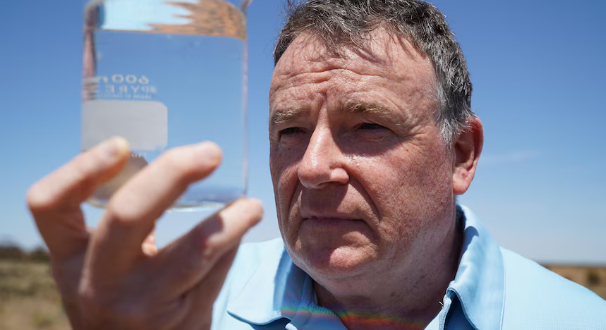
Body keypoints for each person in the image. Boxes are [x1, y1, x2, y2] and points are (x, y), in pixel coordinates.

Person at [27, 0, 606, 329]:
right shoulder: (185, 304)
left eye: (369, 125)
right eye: (291, 130)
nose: (311, 167)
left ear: (461, 154)